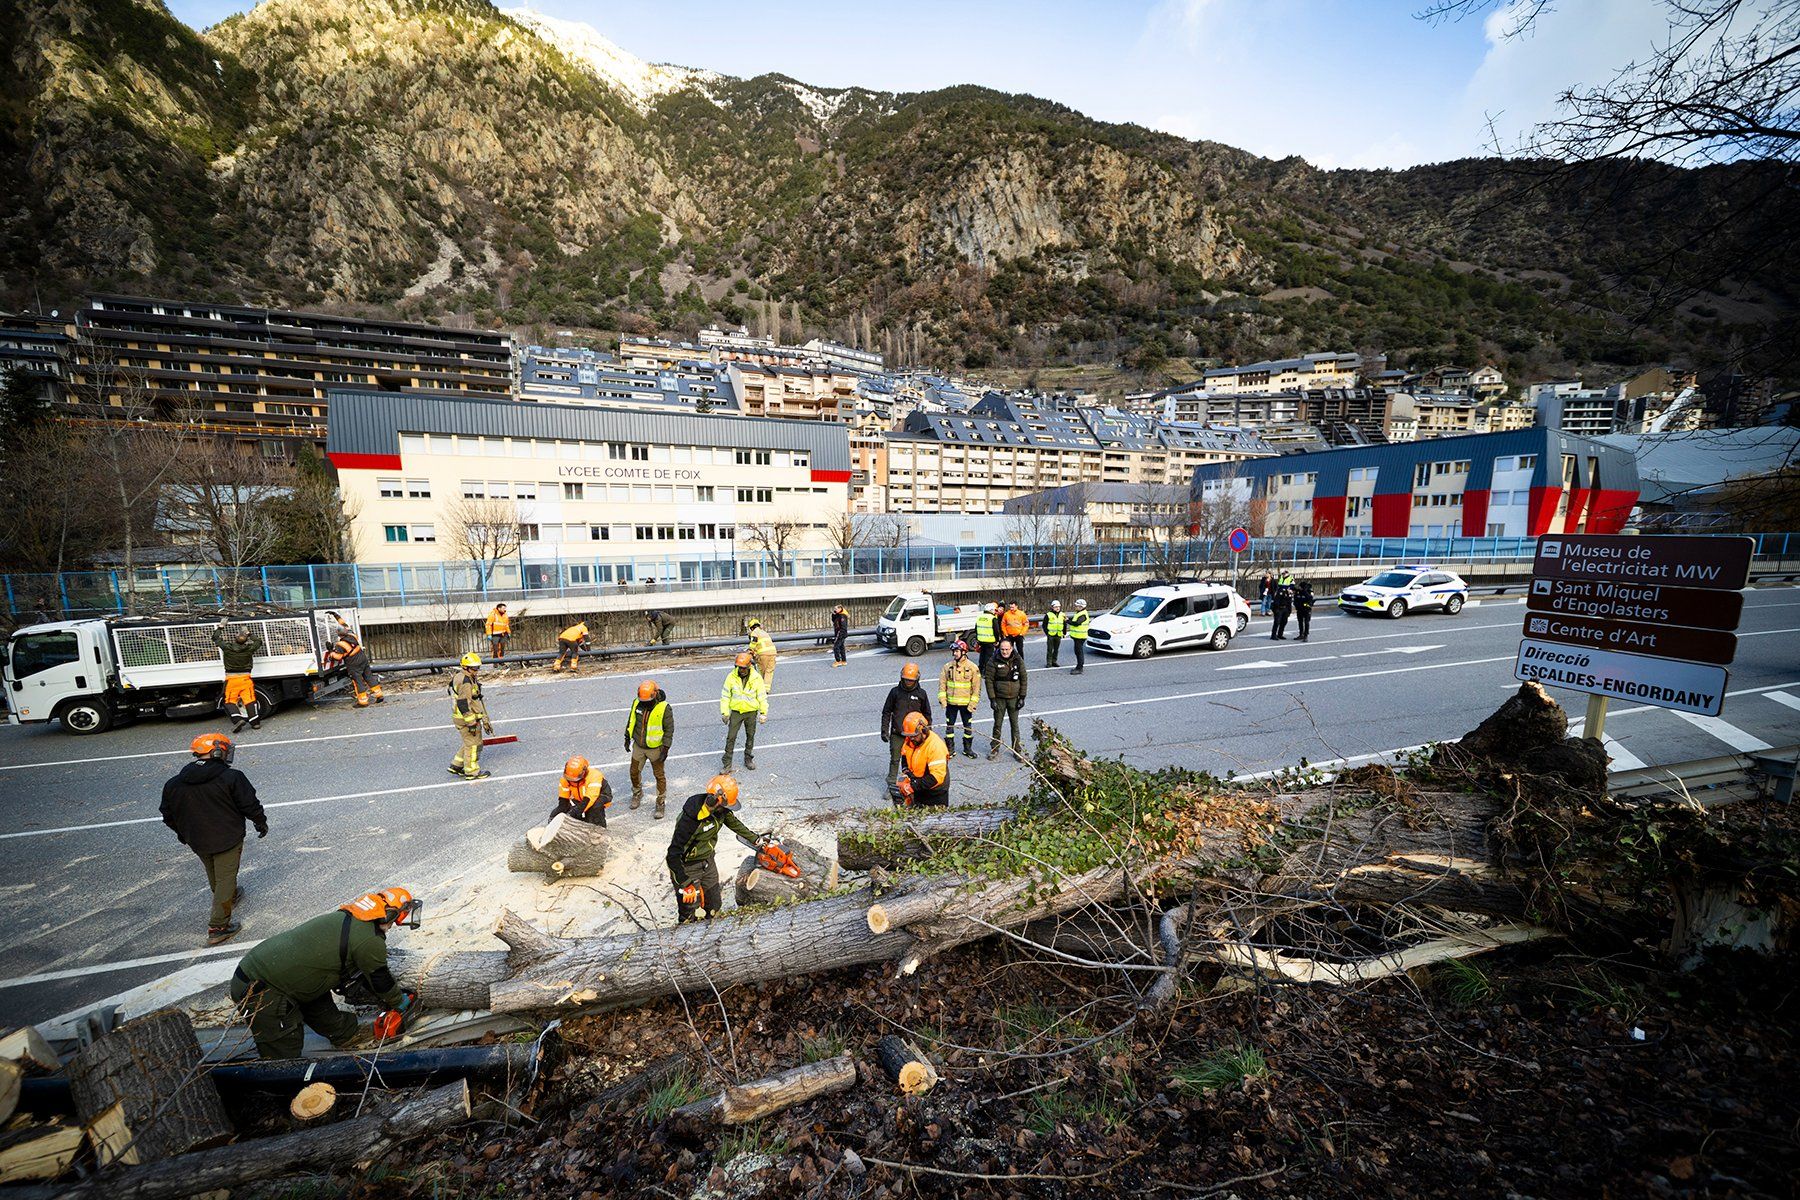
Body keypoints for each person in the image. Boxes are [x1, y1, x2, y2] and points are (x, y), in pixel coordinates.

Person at [229, 888, 421, 1060]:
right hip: (261, 987)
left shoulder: (351, 918)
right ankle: (282, 1091)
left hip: (286, 975)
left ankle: (348, 1036)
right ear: (391, 914)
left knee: (322, 1009)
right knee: (283, 1050)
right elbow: (380, 978)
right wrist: (399, 1002)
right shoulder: (368, 940)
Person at [160, 733, 267, 946]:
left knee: (215, 872)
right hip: (227, 836)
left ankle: (230, 897)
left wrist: (184, 834)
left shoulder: (173, 783)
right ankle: (218, 927)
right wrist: (260, 821)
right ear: (217, 751)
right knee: (225, 877)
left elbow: (167, 814)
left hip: (197, 839)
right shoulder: (232, 777)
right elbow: (249, 804)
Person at [666, 775, 763, 922]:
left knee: (714, 905)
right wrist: (684, 882)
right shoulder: (690, 821)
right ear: (715, 799)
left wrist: (755, 839)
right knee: (690, 911)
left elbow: (734, 823)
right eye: (725, 805)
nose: (726, 809)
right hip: (687, 867)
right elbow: (672, 855)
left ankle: (711, 931)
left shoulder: (721, 811)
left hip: (708, 862)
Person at [625, 678, 674, 817]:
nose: (644, 704)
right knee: (634, 772)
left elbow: (669, 729)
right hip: (639, 746)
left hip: (655, 749)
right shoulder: (637, 703)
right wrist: (627, 737)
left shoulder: (664, 708)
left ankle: (660, 803)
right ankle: (637, 793)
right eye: (642, 701)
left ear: (655, 694)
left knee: (659, 776)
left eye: (647, 702)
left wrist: (666, 748)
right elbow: (631, 720)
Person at [880, 661, 933, 785]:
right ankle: (891, 784)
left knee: (914, 761)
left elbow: (927, 714)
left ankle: (913, 785)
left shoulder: (921, 694)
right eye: (906, 680)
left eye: (911, 680)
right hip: (897, 733)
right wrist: (884, 730)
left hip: (915, 734)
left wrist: (927, 732)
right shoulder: (895, 692)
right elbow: (886, 712)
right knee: (895, 759)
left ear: (916, 679)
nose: (908, 682)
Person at [211, 618, 265, 732]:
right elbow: (259, 642)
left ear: (235, 639)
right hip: (246, 679)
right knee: (250, 700)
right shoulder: (249, 649)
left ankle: (237, 719)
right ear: (245, 641)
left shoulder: (227, 648)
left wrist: (221, 626)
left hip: (231, 680)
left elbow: (215, 638)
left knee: (229, 701)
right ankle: (255, 723)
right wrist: (249, 633)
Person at [719, 651, 768, 772]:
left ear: (749, 666)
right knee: (731, 737)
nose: (740, 670)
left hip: (751, 712)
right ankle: (727, 764)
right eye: (738, 667)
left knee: (750, 736)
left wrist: (763, 712)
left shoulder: (756, 678)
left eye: (743, 668)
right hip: (736, 712)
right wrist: (725, 712)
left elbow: (762, 696)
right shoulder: (731, 677)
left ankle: (748, 758)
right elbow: (725, 695)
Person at [323, 613, 383, 707]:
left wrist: (330, 650)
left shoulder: (340, 644)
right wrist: (336, 616)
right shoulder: (352, 635)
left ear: (338, 634)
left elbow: (338, 657)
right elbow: (344, 624)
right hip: (363, 659)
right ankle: (379, 695)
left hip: (354, 663)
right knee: (369, 677)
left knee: (358, 681)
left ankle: (363, 701)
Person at [448, 652, 493, 779]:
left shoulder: (462, 676)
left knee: (468, 742)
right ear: (465, 667)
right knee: (473, 745)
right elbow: (463, 703)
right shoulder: (465, 681)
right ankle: (472, 771)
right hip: (466, 718)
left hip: (461, 717)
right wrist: (471, 722)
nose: (477, 671)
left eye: (478, 667)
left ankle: (456, 765)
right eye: (474, 668)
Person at [984, 638, 1029, 760]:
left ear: (1011, 648)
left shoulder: (1018, 660)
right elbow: (989, 680)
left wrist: (1022, 697)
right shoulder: (993, 660)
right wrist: (992, 699)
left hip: (1014, 698)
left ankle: (1017, 751)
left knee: (1015, 725)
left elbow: (1024, 678)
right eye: (1002, 649)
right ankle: (995, 748)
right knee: (997, 724)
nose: (1004, 652)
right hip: (999, 698)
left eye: (1007, 649)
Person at [937, 640, 982, 759]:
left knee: (967, 727)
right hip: (951, 704)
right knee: (949, 727)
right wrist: (943, 700)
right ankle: (950, 749)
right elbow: (942, 684)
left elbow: (976, 688)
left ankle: (968, 749)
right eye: (953, 651)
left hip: (966, 705)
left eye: (956, 651)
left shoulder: (972, 667)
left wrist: (973, 703)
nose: (954, 654)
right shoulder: (947, 667)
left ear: (964, 652)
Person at [897, 712, 950, 808]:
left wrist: (912, 787)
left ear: (923, 730)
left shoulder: (935, 746)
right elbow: (904, 755)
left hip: (934, 791)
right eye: (909, 736)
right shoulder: (910, 740)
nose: (911, 738)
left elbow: (936, 777)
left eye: (914, 736)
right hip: (919, 786)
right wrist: (906, 772)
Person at [551, 756, 612, 826]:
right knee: (569, 812)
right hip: (580, 798)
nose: (571, 781)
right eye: (569, 779)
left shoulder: (594, 776)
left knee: (594, 810)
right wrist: (558, 813)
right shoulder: (566, 779)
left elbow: (590, 797)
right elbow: (563, 800)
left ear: (584, 772)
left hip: (599, 796)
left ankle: (599, 828)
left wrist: (576, 811)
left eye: (575, 780)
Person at [746, 618, 778, 691]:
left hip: (763, 654)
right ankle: (766, 689)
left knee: (762, 671)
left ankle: (761, 688)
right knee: (769, 671)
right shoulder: (764, 632)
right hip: (773, 653)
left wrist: (750, 650)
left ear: (751, 627)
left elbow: (753, 643)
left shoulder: (754, 632)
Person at [1067, 599, 1090, 675]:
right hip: (1077, 636)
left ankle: (1080, 668)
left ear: (1081, 606)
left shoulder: (1083, 614)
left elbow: (1077, 623)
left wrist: (1067, 621)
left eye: (1076, 606)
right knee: (1077, 652)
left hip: (1080, 637)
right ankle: (1078, 666)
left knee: (1079, 652)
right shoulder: (1079, 613)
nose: (1075, 607)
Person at [973, 602, 999, 672]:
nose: (994, 611)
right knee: (988, 656)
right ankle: (986, 671)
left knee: (982, 655)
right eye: (994, 610)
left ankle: (980, 668)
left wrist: (978, 639)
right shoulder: (992, 618)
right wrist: (997, 640)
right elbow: (996, 630)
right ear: (990, 610)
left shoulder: (979, 617)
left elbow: (976, 629)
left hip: (981, 640)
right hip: (990, 640)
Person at [1043, 600, 1065, 668]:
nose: (1057, 608)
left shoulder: (1062, 614)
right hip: (1051, 634)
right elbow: (1044, 625)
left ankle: (1054, 661)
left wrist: (1064, 633)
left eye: (1058, 607)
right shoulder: (1048, 614)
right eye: (1056, 607)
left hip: (1058, 634)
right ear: (1052, 607)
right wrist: (1047, 633)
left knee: (1056, 649)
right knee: (1050, 649)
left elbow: (1064, 624)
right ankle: (1049, 662)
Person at [1293, 578, 1315, 642]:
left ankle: (1306, 635)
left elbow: (1310, 598)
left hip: (1306, 609)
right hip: (1300, 609)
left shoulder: (1309, 592)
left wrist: (1304, 591)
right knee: (1300, 622)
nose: (1299, 588)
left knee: (1306, 622)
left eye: (1300, 587)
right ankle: (1301, 634)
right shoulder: (1298, 592)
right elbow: (1295, 599)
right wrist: (1296, 605)